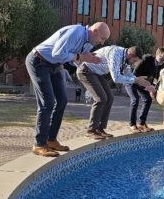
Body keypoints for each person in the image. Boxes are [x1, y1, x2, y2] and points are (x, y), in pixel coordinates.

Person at [25, 22, 110, 157]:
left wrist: (88, 60)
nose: (103, 42)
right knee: (47, 103)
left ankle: (51, 140)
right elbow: (57, 53)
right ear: (94, 31)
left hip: (55, 65)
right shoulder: (76, 32)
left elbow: (72, 60)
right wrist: (80, 57)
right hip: (39, 61)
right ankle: (39, 144)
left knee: (62, 101)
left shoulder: (88, 43)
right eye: (102, 38)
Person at [76, 45, 153, 139]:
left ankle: (100, 129)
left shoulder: (125, 59)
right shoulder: (115, 53)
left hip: (96, 73)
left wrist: (144, 83)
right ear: (130, 55)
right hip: (85, 70)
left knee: (110, 98)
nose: (134, 63)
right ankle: (91, 130)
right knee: (101, 99)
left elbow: (128, 74)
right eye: (134, 60)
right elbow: (116, 78)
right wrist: (136, 80)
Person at [126, 47, 164, 132]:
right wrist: (140, 81)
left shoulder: (160, 66)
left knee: (148, 99)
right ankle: (132, 125)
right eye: (161, 58)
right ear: (156, 55)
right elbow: (134, 73)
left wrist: (152, 90)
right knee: (135, 99)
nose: (163, 61)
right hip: (130, 80)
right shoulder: (146, 58)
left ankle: (142, 123)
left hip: (141, 83)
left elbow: (156, 78)